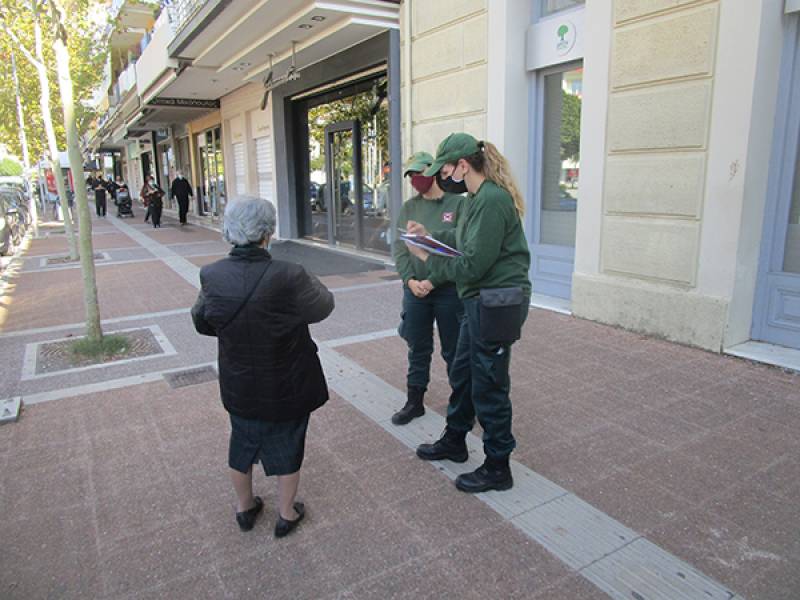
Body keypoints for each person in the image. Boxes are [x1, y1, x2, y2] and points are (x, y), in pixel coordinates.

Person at [191, 196, 334, 536]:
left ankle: (245, 509)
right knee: (289, 441)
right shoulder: (289, 274)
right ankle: (286, 513)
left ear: (229, 231)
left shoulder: (211, 275)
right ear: (268, 233)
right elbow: (323, 306)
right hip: (288, 381)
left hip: (239, 381)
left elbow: (202, 321)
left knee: (241, 441)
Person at [405, 133, 531, 494]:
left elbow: (474, 264)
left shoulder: (491, 198)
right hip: (480, 300)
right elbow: (465, 238)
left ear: (463, 165)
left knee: (489, 383)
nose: (441, 177)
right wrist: (430, 235)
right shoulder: (478, 197)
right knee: (463, 372)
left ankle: (497, 467)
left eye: (444, 168)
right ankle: (455, 440)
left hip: (497, 301)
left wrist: (430, 261)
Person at [391, 151, 464, 426]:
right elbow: (400, 248)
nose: (415, 180)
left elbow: (460, 248)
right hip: (415, 290)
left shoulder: (458, 204)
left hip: (447, 289)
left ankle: (463, 402)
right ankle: (414, 401)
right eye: (410, 175)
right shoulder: (409, 208)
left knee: (454, 350)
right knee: (418, 346)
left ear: (433, 171)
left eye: (419, 173)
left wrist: (434, 280)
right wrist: (409, 280)